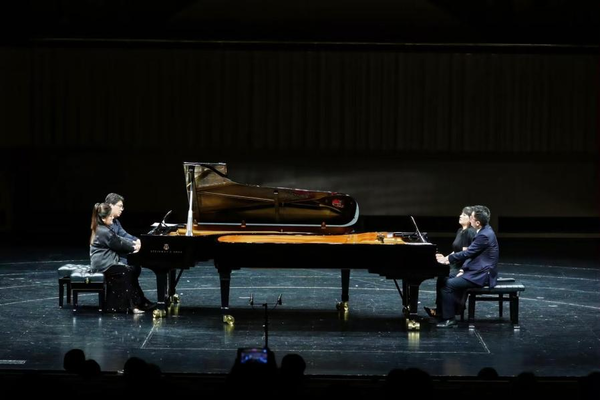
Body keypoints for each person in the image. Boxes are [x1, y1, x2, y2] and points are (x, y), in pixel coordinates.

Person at [435, 205, 499, 327]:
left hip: (481, 274)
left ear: (477, 222)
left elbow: (468, 253)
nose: (470, 219)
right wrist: (463, 269)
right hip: (477, 270)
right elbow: (472, 255)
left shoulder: (484, 235)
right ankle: (444, 312)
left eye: (471, 217)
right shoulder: (485, 231)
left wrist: (448, 259)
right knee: (445, 280)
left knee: (447, 285)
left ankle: (450, 318)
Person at [90, 202, 154, 313]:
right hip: (103, 264)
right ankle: (128, 306)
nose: (112, 218)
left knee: (131, 269)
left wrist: (134, 243)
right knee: (127, 271)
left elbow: (119, 238)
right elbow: (118, 243)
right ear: (103, 218)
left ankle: (138, 302)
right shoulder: (104, 231)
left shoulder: (102, 228)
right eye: (110, 216)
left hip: (106, 262)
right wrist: (135, 247)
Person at [424, 206, 477, 318]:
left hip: (462, 266)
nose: (460, 216)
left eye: (464, 215)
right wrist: (444, 258)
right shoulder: (460, 231)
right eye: (461, 214)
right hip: (456, 264)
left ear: (470, 219)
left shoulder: (469, 232)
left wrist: (458, 267)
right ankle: (440, 309)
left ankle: (453, 310)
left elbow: (466, 255)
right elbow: (456, 251)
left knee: (446, 278)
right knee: (441, 277)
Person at [105, 193, 140, 263]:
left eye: (122, 207)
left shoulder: (116, 221)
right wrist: (134, 244)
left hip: (116, 256)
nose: (122, 209)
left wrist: (137, 240)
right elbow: (116, 239)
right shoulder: (103, 221)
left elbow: (124, 234)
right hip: (107, 259)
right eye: (120, 206)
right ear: (110, 206)